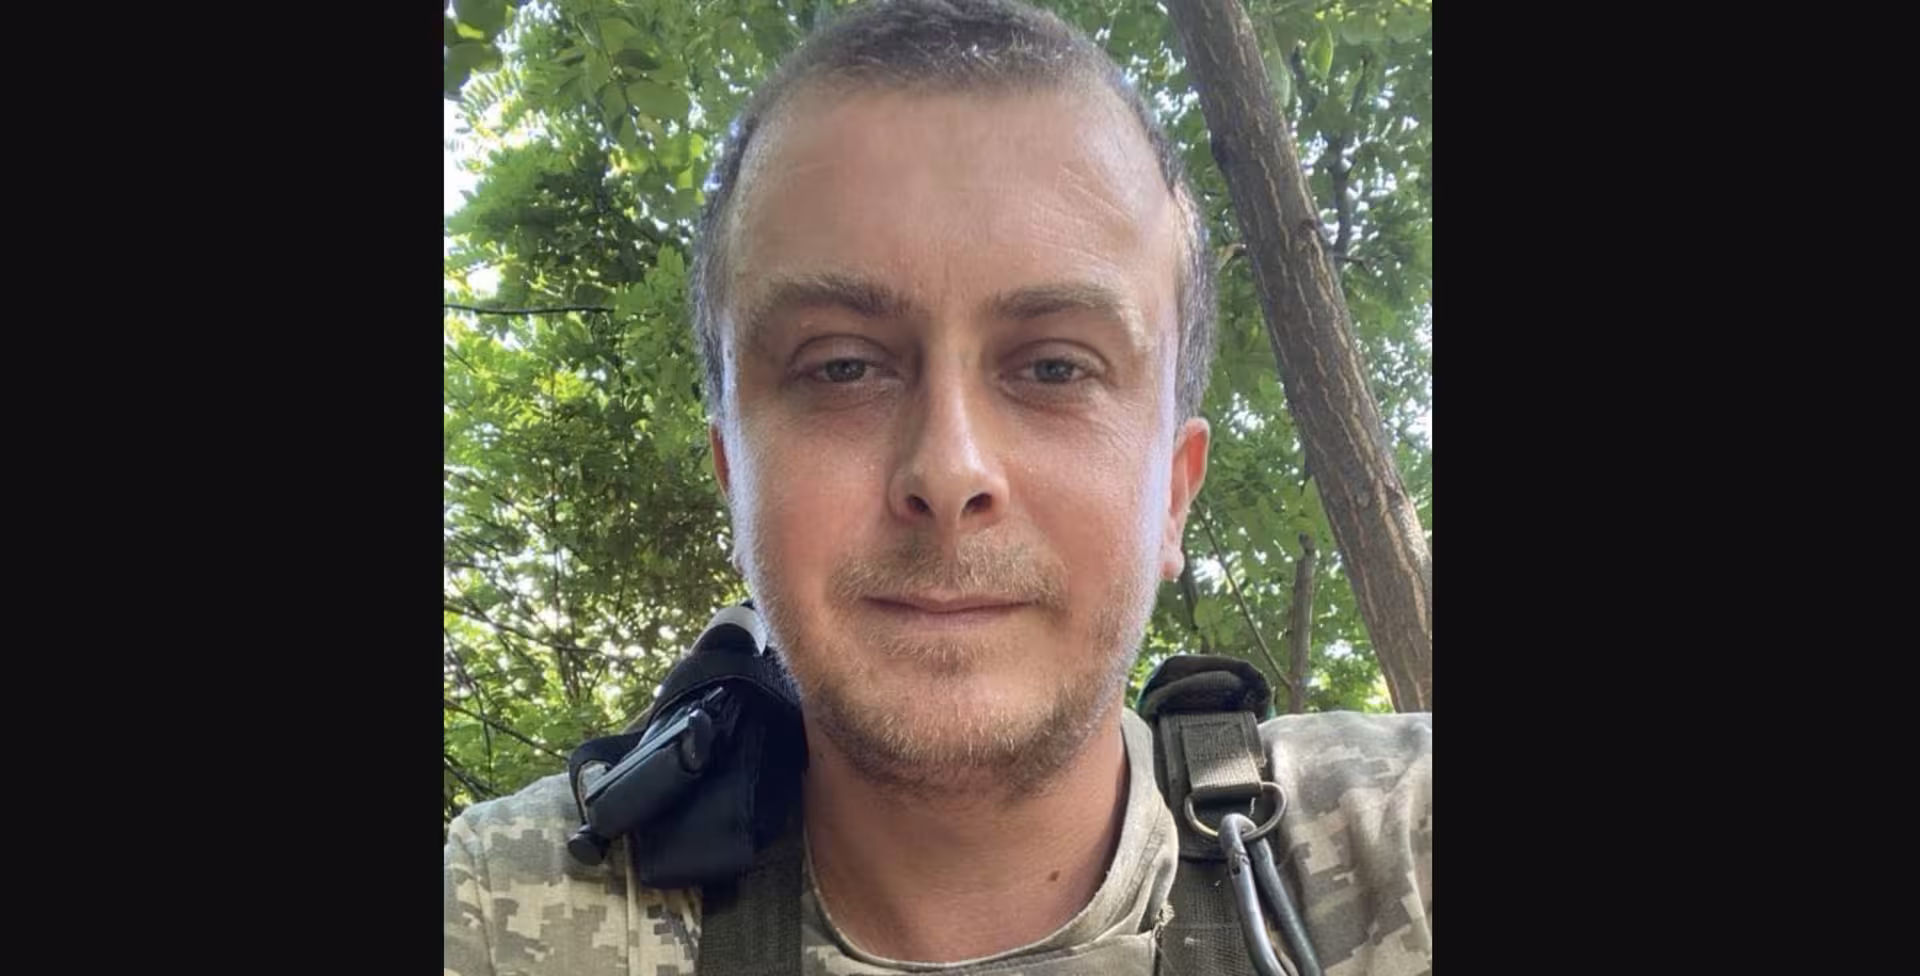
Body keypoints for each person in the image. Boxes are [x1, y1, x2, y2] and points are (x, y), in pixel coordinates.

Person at [444, 1, 1431, 973]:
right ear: (734, 481)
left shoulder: (1403, 848)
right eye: (842, 366)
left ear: (1173, 494)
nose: (951, 470)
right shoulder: (498, 912)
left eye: (1054, 368)